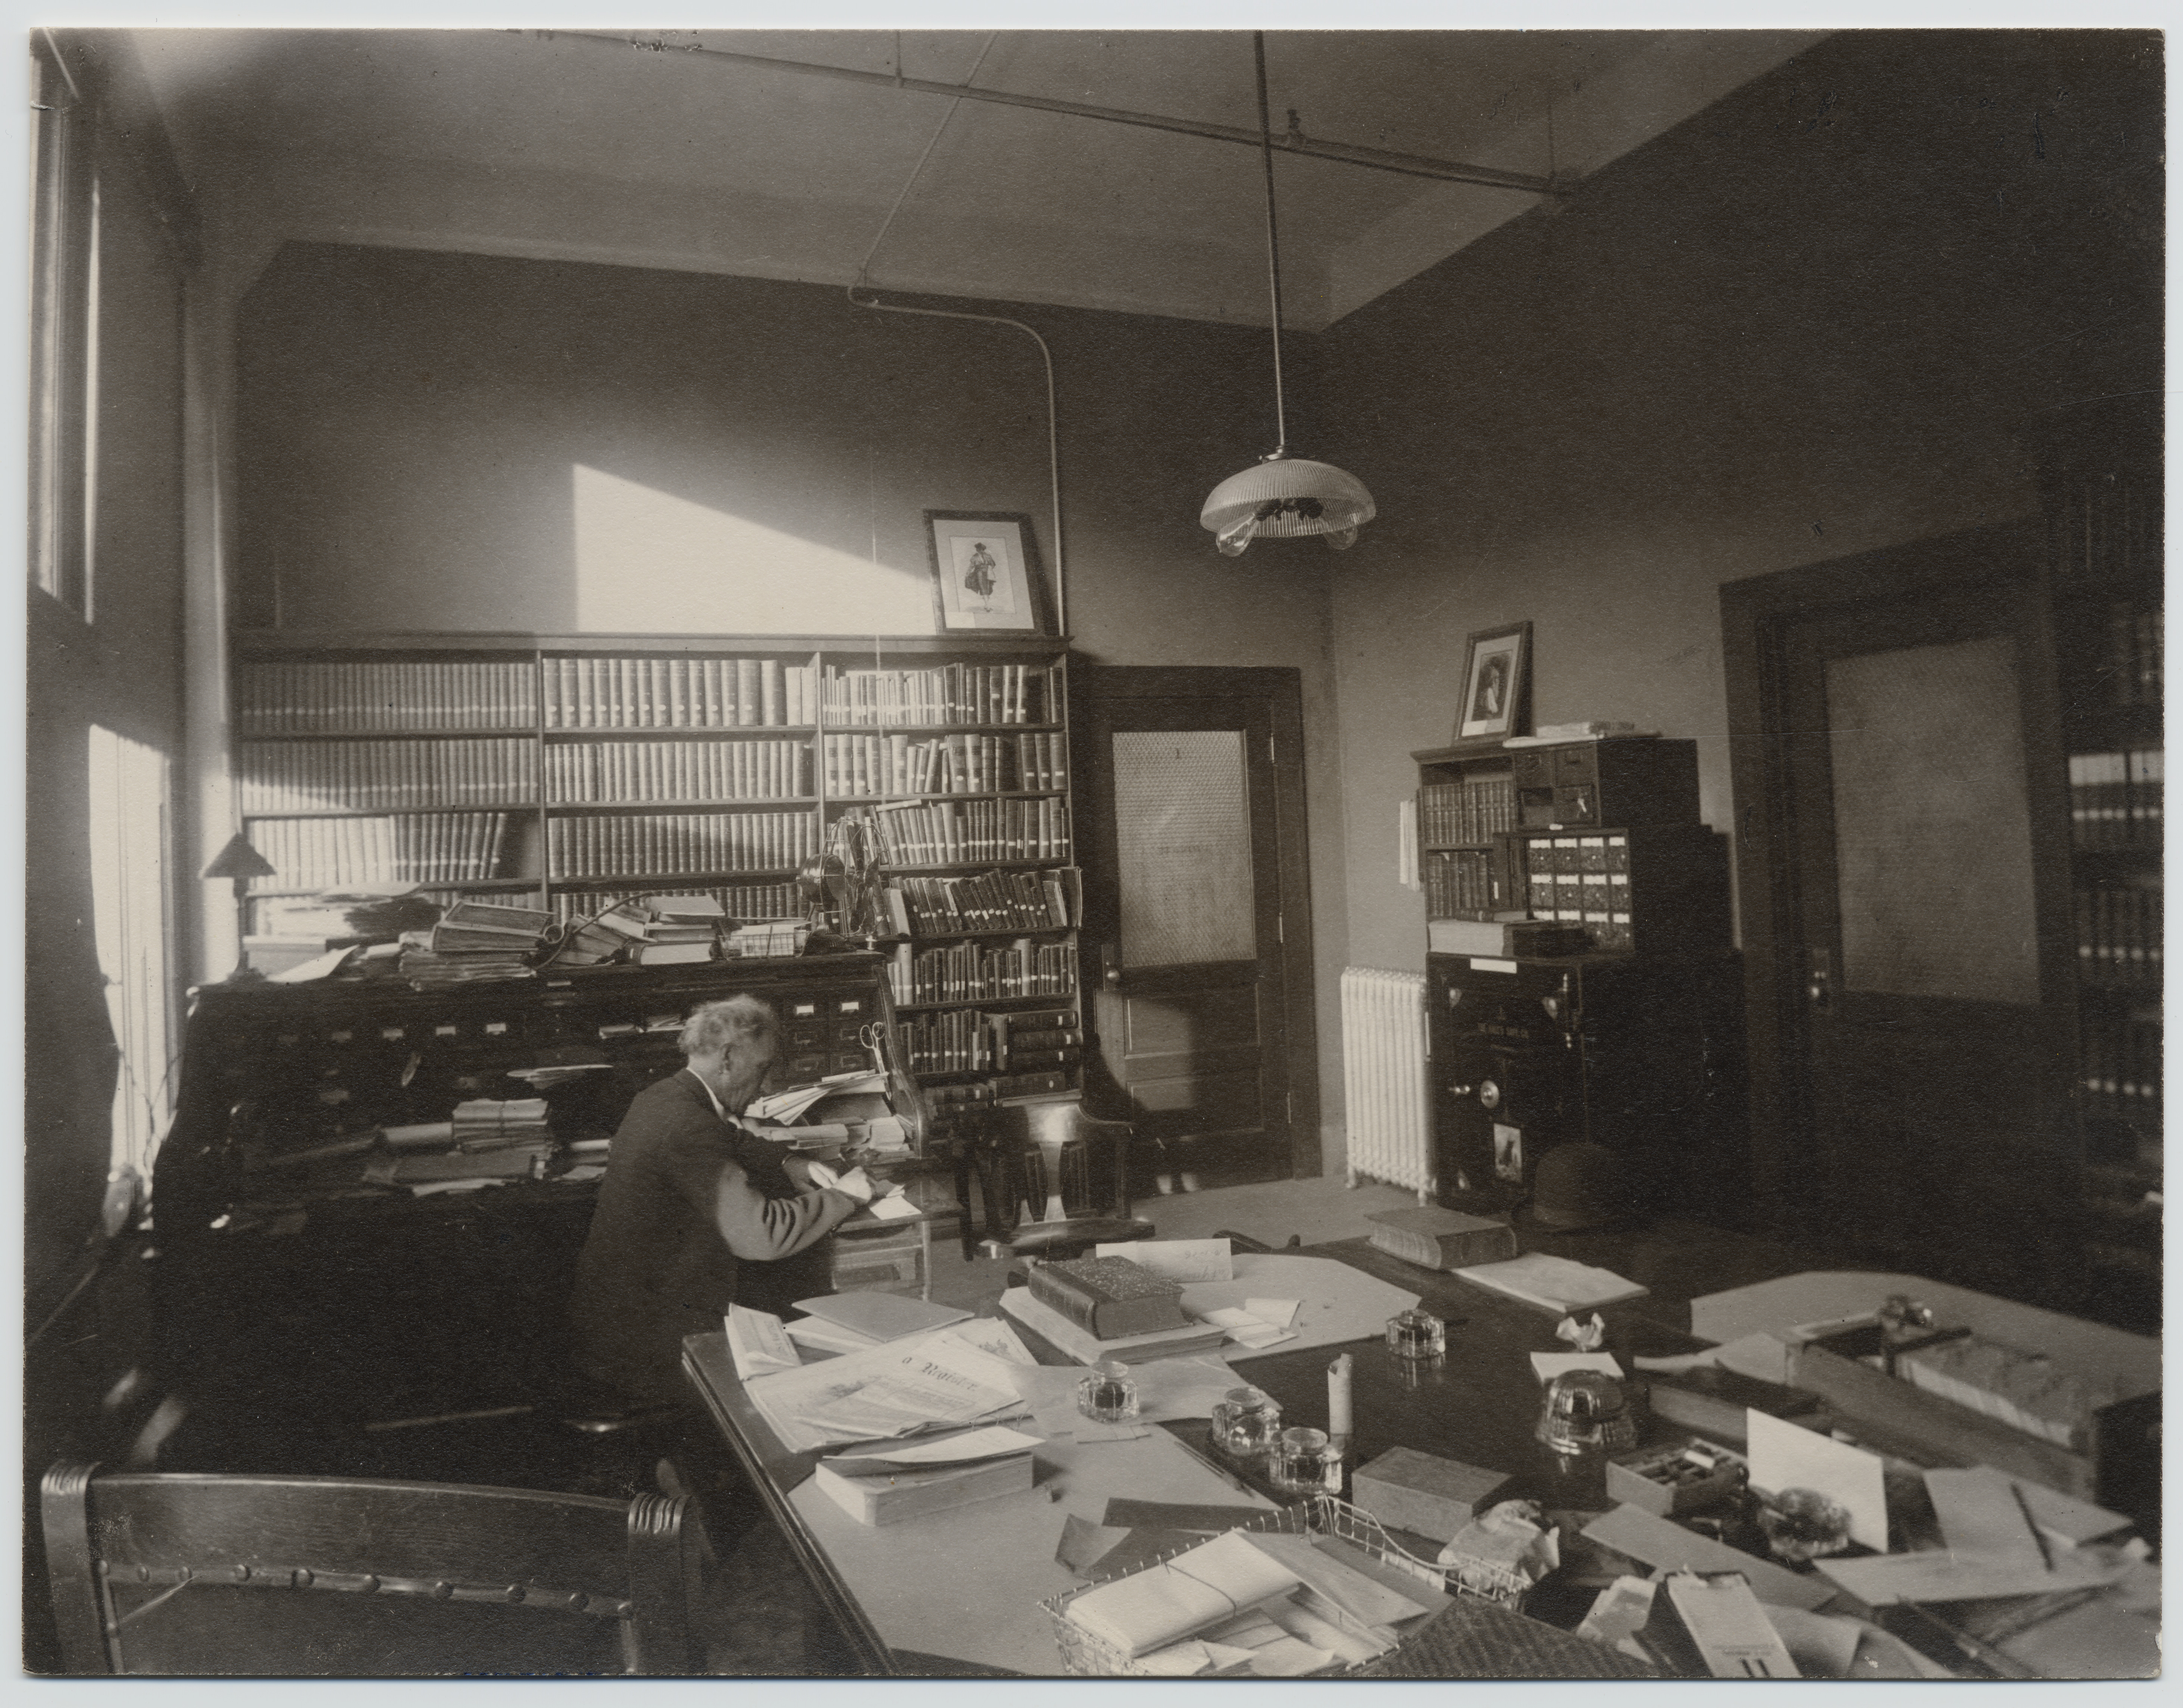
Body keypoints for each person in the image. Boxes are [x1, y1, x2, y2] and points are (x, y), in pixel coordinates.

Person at [568, 993, 872, 1406]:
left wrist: (789, 1162)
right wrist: (845, 1196)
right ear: (727, 1059)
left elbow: (730, 1138)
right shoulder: (687, 1125)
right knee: (815, 1366)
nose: (765, 1085)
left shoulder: (663, 1097)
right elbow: (763, 1236)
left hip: (623, 1313)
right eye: (762, 1068)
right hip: (649, 1340)